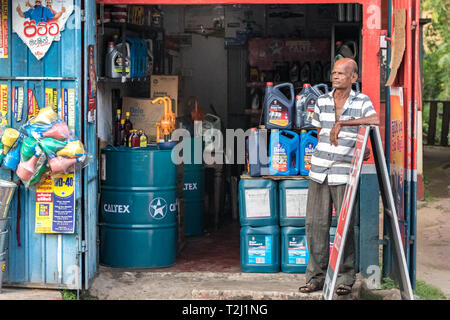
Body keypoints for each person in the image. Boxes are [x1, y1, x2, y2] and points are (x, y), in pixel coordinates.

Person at [298, 58, 380, 296]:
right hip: (319, 170)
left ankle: (345, 277)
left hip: (344, 172)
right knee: (315, 225)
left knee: (345, 227)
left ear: (353, 78)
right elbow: (318, 130)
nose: (335, 77)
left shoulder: (361, 100)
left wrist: (343, 123)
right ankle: (316, 277)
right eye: (333, 73)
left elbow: (374, 120)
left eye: (341, 74)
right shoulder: (322, 101)